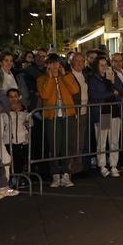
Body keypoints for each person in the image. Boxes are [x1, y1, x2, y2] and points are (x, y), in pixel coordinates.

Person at [37, 55, 80, 188]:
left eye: (57, 64)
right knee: (54, 146)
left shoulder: (68, 76)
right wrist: (50, 78)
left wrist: (64, 75)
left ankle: (66, 174)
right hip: (52, 116)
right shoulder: (41, 79)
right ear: (47, 66)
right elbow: (45, 94)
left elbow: (75, 90)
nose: (55, 67)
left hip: (68, 115)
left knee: (67, 145)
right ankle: (55, 175)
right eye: (52, 64)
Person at [88, 57, 123, 178]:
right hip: (103, 112)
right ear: (96, 66)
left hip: (115, 111)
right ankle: (102, 165)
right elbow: (94, 95)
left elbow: (122, 90)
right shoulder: (94, 79)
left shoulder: (112, 75)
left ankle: (114, 165)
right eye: (101, 65)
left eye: (105, 64)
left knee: (114, 140)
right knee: (102, 140)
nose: (104, 67)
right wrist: (112, 93)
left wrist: (114, 81)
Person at [68, 52, 91, 176]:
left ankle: (78, 168)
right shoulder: (68, 75)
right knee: (72, 141)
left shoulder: (85, 75)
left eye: (82, 61)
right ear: (71, 62)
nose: (80, 63)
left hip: (84, 111)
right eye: (77, 61)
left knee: (80, 141)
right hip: (73, 112)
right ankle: (70, 168)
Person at [5, 88, 31, 188]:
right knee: (9, 161)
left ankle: (19, 179)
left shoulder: (24, 110)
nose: (13, 99)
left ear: (19, 97)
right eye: (11, 97)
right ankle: (10, 179)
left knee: (20, 161)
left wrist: (28, 123)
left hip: (21, 140)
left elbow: (30, 123)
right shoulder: (4, 111)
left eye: (15, 96)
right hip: (8, 140)